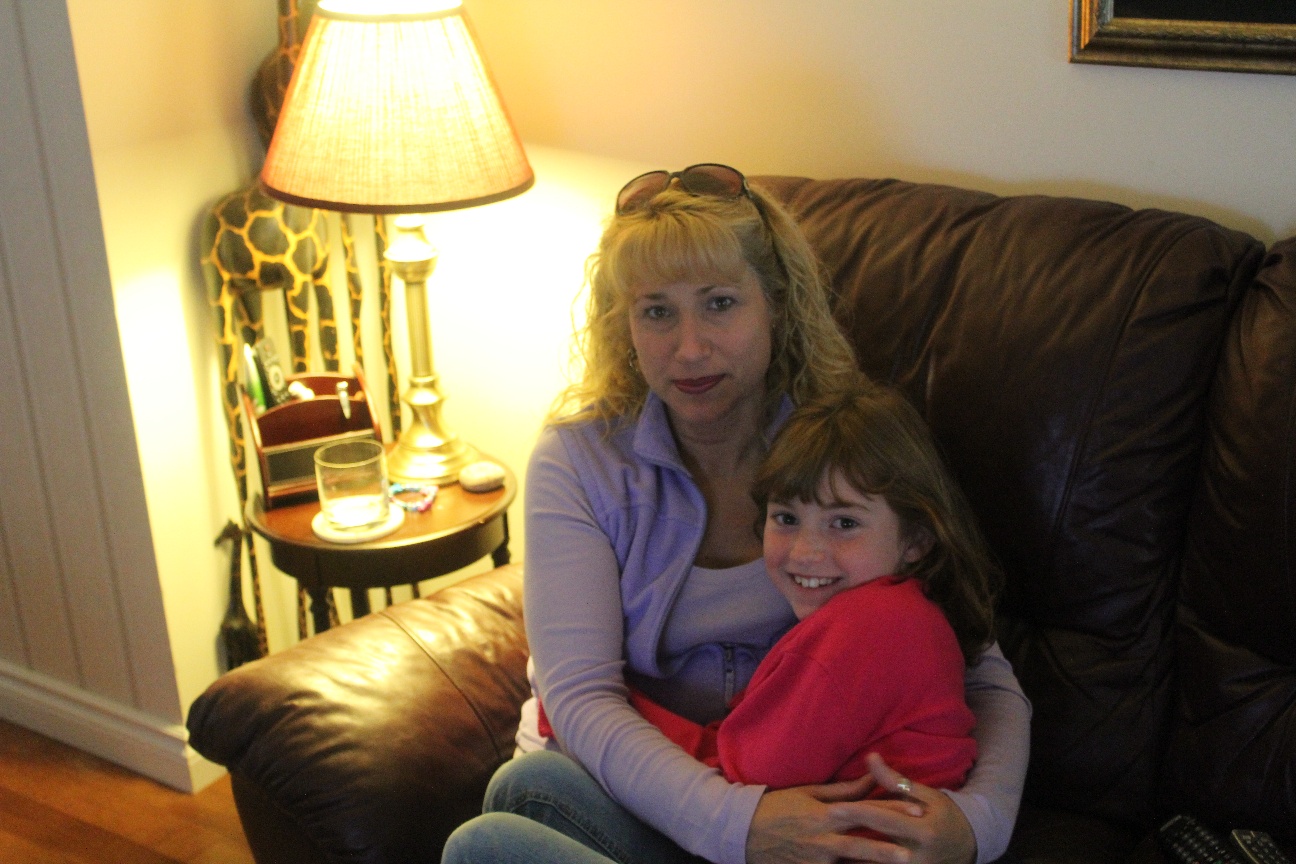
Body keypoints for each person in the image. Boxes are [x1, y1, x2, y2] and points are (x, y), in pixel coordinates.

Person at [442, 164, 1030, 864]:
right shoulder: (581, 459)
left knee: (485, 846)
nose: (689, 348)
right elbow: (579, 696)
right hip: (675, 790)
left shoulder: (845, 446)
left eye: (720, 303)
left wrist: (975, 827)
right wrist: (738, 825)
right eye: (657, 311)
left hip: (787, 799)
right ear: (624, 324)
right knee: (525, 786)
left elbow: (978, 670)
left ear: (776, 306)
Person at [624, 381, 997, 802]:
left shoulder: (868, 626)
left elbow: (746, 776)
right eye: (786, 518)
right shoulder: (913, 611)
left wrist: (621, 710)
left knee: (561, 779)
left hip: (840, 836)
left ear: (916, 540)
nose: (804, 552)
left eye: (844, 524)